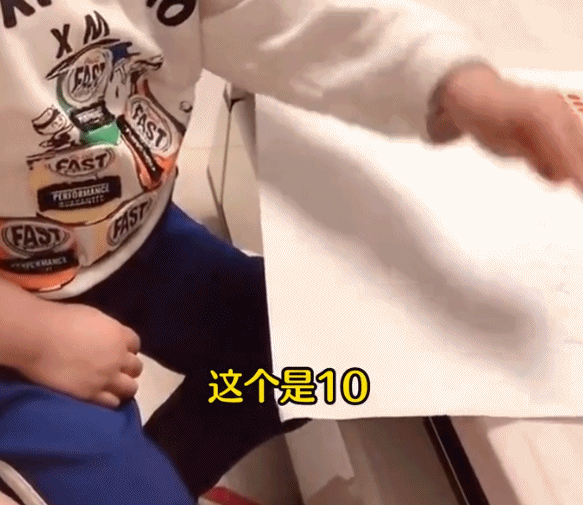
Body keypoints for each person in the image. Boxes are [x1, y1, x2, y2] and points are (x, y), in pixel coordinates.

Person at [0, 0, 582, 504]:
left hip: (130, 241)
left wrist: (462, 86)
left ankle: (163, 474)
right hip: (14, 324)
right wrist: (34, 336)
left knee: (321, 367)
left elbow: (285, 15)